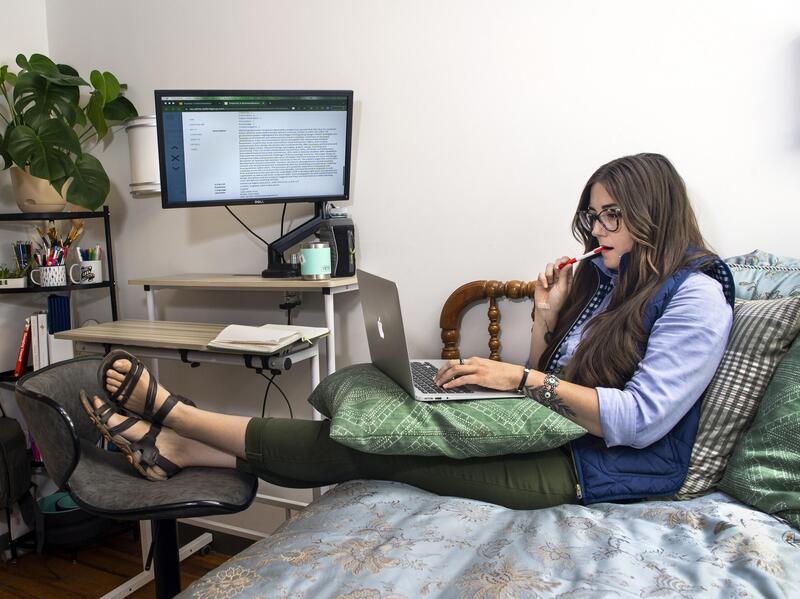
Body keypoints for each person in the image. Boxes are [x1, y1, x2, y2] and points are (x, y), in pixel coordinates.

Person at [82, 153, 734, 509]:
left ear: (654, 212)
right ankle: (183, 448)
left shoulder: (698, 294)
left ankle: (185, 425)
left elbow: (643, 419)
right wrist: (542, 318)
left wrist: (519, 377)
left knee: (377, 449)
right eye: (591, 217)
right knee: (380, 407)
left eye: (610, 216)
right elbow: (557, 379)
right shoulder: (608, 279)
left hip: (594, 469)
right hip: (546, 431)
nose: (595, 232)